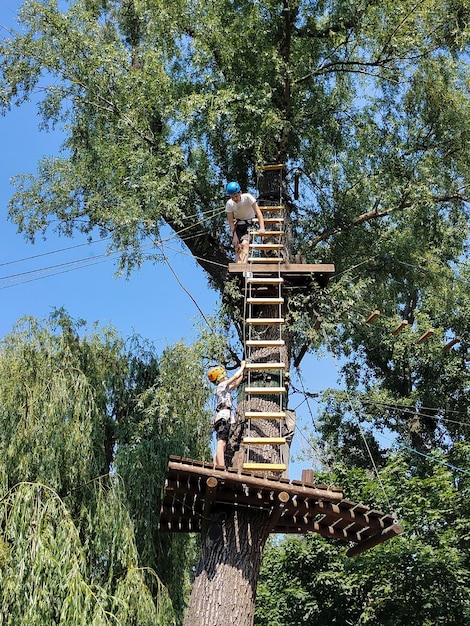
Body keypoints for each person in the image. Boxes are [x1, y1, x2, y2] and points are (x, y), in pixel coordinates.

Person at [207, 360, 246, 467]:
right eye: (225, 376)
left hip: (226, 416)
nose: (227, 377)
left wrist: (243, 373)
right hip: (223, 416)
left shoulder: (225, 388)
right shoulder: (221, 385)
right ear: (220, 378)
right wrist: (242, 366)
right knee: (221, 442)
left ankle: (215, 464)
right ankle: (221, 466)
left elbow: (236, 383)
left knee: (223, 444)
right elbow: (234, 377)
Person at [225, 181, 265, 263]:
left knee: (245, 244)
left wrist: (262, 228)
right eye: (232, 197)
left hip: (249, 224)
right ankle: (238, 265)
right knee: (237, 246)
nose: (235, 199)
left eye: (236, 196)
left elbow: (258, 212)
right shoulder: (229, 204)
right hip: (238, 226)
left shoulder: (248, 197)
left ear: (240, 192)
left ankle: (243, 265)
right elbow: (231, 223)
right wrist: (234, 236)